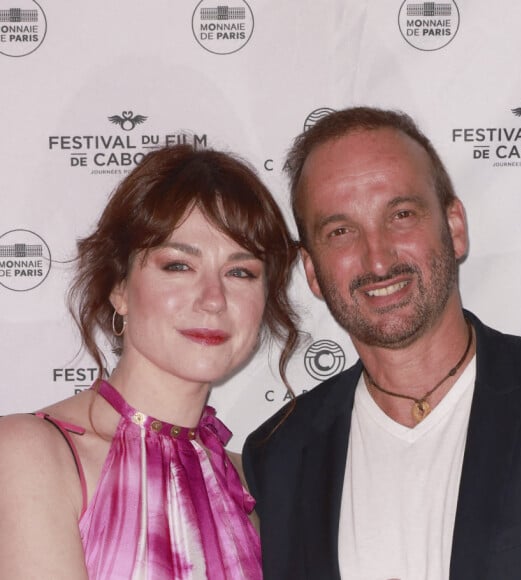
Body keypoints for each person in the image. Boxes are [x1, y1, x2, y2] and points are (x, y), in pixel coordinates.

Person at [243, 107, 521, 580]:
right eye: (340, 231)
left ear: (454, 228)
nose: (377, 259)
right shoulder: (279, 456)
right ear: (313, 272)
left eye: (400, 215)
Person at [0, 144, 299, 579]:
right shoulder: (30, 453)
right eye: (178, 266)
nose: (214, 299)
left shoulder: (250, 484)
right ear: (119, 287)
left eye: (241, 272)